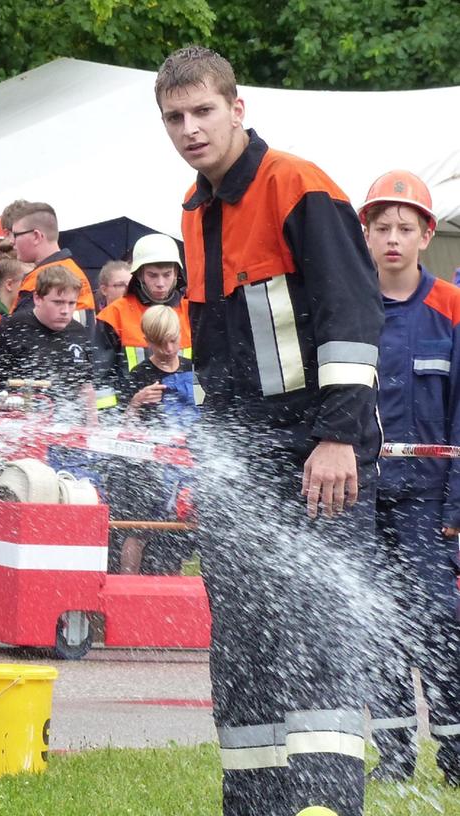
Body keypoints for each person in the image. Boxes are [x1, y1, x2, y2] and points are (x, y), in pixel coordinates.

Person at [158, 46, 383, 815]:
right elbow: (220, 350)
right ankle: (253, 804)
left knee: (317, 636)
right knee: (245, 647)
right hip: (237, 466)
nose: (189, 130)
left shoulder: (298, 185)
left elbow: (353, 319)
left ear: (236, 108)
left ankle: (323, 805)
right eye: (174, 118)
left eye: (202, 112)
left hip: (317, 452)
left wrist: (337, 437)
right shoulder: (192, 211)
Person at [357, 169, 460, 784]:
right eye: (381, 227)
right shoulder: (348, 306)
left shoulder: (451, 309)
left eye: (405, 227)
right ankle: (392, 758)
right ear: (364, 234)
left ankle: (454, 756)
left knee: (439, 626)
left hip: (429, 503)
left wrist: (456, 509)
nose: (393, 238)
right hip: (362, 497)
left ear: (427, 234)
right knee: (375, 624)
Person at [113, 304, 197, 575]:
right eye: (161, 344)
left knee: (182, 533)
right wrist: (135, 403)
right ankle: (128, 588)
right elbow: (123, 430)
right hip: (151, 469)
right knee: (140, 529)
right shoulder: (139, 375)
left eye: (173, 341)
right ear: (148, 341)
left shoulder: (194, 369)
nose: (170, 349)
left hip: (188, 465)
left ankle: (174, 591)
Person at [0, 264, 96, 422]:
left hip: (64, 424)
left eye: (71, 303)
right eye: (58, 302)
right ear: (37, 298)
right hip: (14, 423)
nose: (65, 310)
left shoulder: (78, 332)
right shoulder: (12, 327)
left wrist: (92, 425)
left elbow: (86, 386)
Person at [94, 233, 192, 412]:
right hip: (134, 419)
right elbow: (101, 381)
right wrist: (116, 420)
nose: (160, 283)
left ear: (177, 273)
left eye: (167, 275)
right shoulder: (114, 315)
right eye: (153, 275)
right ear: (139, 275)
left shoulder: (192, 312)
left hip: (187, 420)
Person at [10, 201, 98, 329]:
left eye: (15, 235)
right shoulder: (73, 270)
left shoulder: (40, 281)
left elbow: (20, 334)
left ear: (36, 236)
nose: (12, 242)